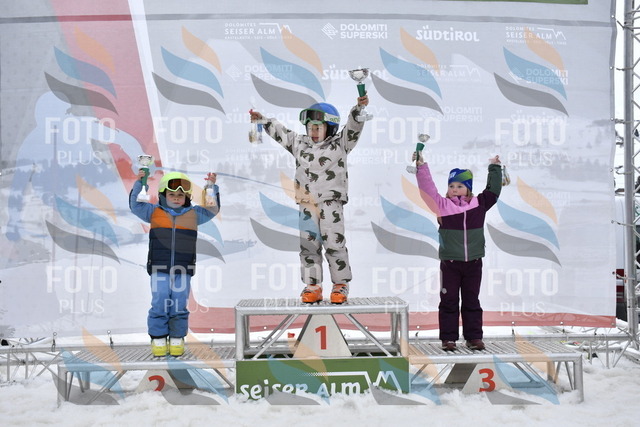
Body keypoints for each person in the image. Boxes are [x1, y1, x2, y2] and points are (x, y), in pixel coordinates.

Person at [249, 96, 369, 304]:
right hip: (307, 204)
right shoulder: (299, 144)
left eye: (318, 128)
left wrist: (358, 110)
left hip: (330, 202)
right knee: (308, 245)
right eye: (310, 127)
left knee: (334, 243)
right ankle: (313, 285)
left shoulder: (340, 144)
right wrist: (263, 121)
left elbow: (353, 128)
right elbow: (282, 133)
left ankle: (340, 284)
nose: (313, 132)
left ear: (330, 128)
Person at [413, 150, 502, 351]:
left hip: (474, 263)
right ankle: (448, 339)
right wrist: (421, 167)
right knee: (449, 301)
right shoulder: (442, 206)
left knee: (472, 300)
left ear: (468, 188)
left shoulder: (479, 204)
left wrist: (495, 167)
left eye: (460, 186)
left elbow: (494, 190)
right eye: (451, 186)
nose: (455, 189)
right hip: (450, 264)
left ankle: (474, 337)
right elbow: (427, 189)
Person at [129, 170, 220, 356]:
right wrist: (141, 183)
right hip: (159, 267)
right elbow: (135, 205)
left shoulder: (195, 214)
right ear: (163, 194)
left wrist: (211, 187)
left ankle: (177, 337)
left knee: (179, 303)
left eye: (180, 195)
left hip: (183, 268)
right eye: (172, 194)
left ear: (187, 196)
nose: (176, 198)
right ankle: (158, 337)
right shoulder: (153, 212)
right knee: (160, 301)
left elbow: (212, 209)